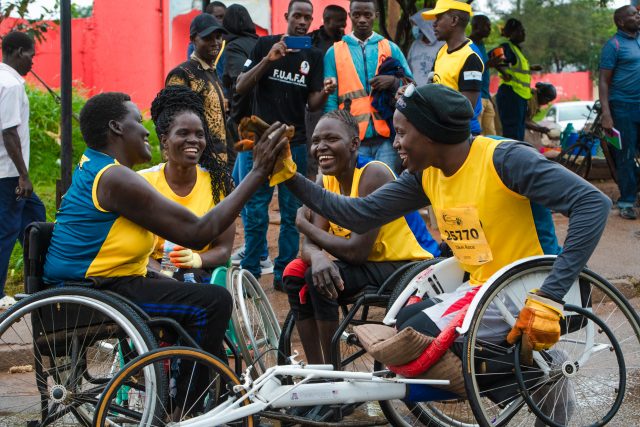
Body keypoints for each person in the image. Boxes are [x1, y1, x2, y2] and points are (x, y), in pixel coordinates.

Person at [281, 84, 611, 423]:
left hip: (533, 289)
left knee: (418, 337)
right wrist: (288, 175)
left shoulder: (505, 159)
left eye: (401, 133)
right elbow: (360, 214)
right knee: (406, 325)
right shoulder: (427, 175)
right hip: (483, 287)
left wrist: (551, 296)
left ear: (430, 134)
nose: (396, 143)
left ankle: (541, 377)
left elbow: (593, 204)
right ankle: (537, 378)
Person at [43, 91, 288, 367]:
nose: (146, 131)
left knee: (186, 290)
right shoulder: (115, 177)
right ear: (116, 127)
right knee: (213, 301)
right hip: (93, 290)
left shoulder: (101, 168)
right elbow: (197, 232)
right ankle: (188, 393)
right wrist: (258, 172)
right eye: (138, 121)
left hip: (100, 282)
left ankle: (200, 382)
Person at [283, 110, 440, 364]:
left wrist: (304, 225)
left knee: (318, 277)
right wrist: (317, 255)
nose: (321, 147)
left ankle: (332, 373)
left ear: (354, 144)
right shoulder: (326, 181)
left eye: (331, 139)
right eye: (316, 141)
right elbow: (310, 246)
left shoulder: (373, 174)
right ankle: (317, 370)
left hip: (411, 266)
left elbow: (356, 252)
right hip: (373, 265)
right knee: (295, 272)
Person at [233, 0, 328, 291]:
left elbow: (313, 104)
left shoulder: (314, 55)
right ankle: (250, 273)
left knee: (291, 213)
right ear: (287, 16)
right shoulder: (264, 45)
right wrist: (268, 60)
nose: (302, 22)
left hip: (293, 143)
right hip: (259, 142)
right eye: (297, 16)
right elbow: (240, 85)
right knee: (255, 209)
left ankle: (283, 274)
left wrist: (325, 92)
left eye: (307, 18)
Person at [139, 86, 235, 283]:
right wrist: (163, 275)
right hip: (153, 271)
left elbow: (224, 249)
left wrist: (197, 259)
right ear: (165, 141)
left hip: (200, 271)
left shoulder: (217, 184)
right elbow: (134, 250)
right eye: (183, 133)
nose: (193, 140)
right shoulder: (142, 183)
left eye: (199, 134)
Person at [324, 0, 413, 173]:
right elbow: (330, 99)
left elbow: (410, 86)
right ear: (350, 16)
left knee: (387, 184)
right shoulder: (334, 52)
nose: (362, 20)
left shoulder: (390, 47)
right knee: (356, 186)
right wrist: (333, 136)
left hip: (387, 137)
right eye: (357, 15)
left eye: (367, 15)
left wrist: (393, 82)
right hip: (352, 138)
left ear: (376, 16)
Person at [0, 31, 46, 309]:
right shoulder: (11, 85)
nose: (32, 61)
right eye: (31, 55)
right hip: (9, 173)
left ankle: (40, 285)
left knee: (35, 220)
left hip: (7, 172)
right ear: (18, 52)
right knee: (7, 231)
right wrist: (23, 175)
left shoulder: (5, 79)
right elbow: (9, 132)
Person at [598, 5, 640, 220]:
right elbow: (604, 81)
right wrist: (606, 114)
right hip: (622, 108)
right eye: (633, 14)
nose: (638, 16)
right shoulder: (613, 45)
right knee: (625, 155)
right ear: (621, 22)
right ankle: (627, 202)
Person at [168, 14, 228, 158]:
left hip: (220, 158)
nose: (215, 43)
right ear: (193, 39)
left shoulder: (211, 72)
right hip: (197, 158)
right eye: (208, 38)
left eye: (218, 37)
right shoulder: (182, 74)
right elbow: (171, 121)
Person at [423, 0, 484, 136]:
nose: (434, 24)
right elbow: (433, 86)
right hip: (441, 127)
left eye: (438, 18)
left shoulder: (470, 57)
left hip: (460, 134)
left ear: (454, 20)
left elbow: (466, 107)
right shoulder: (442, 51)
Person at [306, 4, 348, 179]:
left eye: (345, 22)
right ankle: (310, 186)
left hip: (339, 100)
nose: (343, 26)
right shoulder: (311, 41)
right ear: (327, 20)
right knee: (313, 146)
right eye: (340, 22)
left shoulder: (345, 42)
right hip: (316, 101)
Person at [221, 4, 259, 170]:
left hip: (244, 120)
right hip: (262, 117)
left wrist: (235, 116)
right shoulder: (260, 43)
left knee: (245, 172)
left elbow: (241, 83)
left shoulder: (233, 47)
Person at [495, 18, 543, 141]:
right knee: (512, 134)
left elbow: (516, 68)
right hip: (511, 94)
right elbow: (492, 57)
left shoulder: (516, 50)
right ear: (512, 33)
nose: (524, 33)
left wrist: (531, 67)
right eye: (521, 31)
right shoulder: (507, 47)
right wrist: (503, 73)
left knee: (518, 133)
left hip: (519, 96)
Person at [469, 14, 498, 136]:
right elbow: (469, 70)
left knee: (491, 136)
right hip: (476, 98)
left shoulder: (481, 45)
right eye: (486, 26)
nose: (489, 29)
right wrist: (488, 64)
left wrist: (489, 97)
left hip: (486, 96)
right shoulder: (468, 45)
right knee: (477, 136)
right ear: (476, 26)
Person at [407, 9, 445, 87]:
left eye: (417, 25)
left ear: (426, 26)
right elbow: (408, 69)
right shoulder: (415, 45)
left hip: (433, 91)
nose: (414, 28)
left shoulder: (443, 46)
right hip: (414, 91)